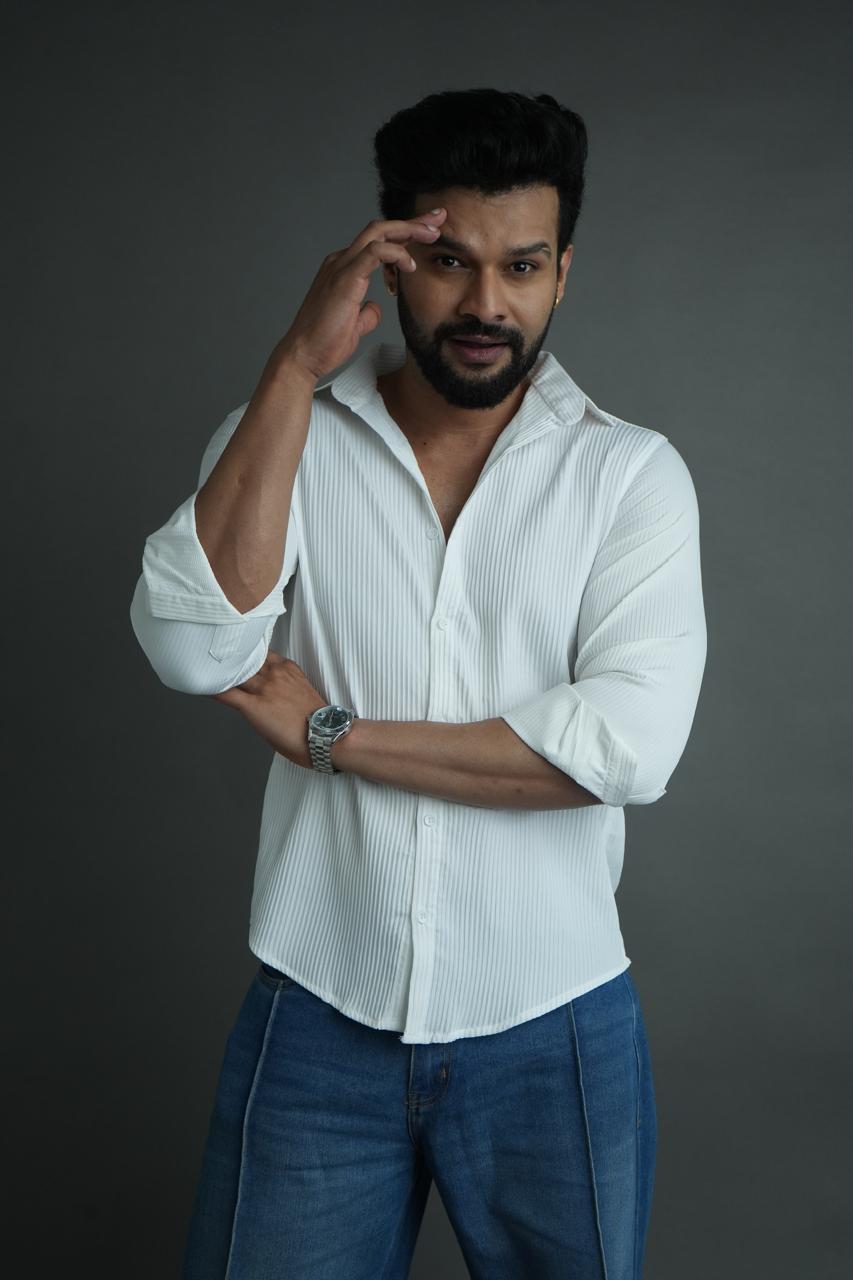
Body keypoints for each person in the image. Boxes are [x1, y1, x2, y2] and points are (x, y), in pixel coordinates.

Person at [130, 87, 707, 1279]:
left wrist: (331, 732)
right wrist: (295, 364)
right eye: (449, 262)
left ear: (563, 274)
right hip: (318, 1014)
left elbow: (622, 750)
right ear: (388, 263)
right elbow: (194, 648)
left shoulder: (629, 476)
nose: (487, 303)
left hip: (556, 1025)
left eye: (522, 265)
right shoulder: (281, 435)